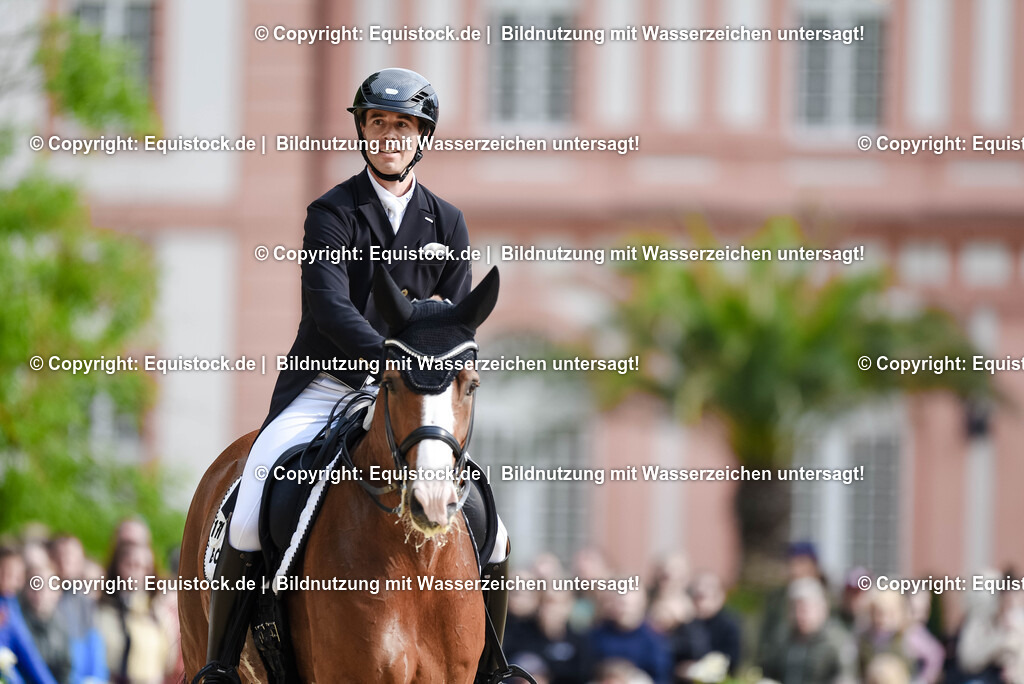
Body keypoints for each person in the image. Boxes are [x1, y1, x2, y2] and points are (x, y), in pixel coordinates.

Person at [194, 68, 511, 683]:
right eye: (378, 123)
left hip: (417, 397)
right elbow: (329, 305)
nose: (389, 135)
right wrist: (388, 360)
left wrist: (416, 374)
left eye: (403, 126)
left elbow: (454, 319)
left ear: (422, 137)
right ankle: (222, 664)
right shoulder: (333, 212)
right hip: (328, 383)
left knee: (494, 530)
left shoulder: (447, 223)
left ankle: (494, 668)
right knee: (253, 498)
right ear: (363, 131)